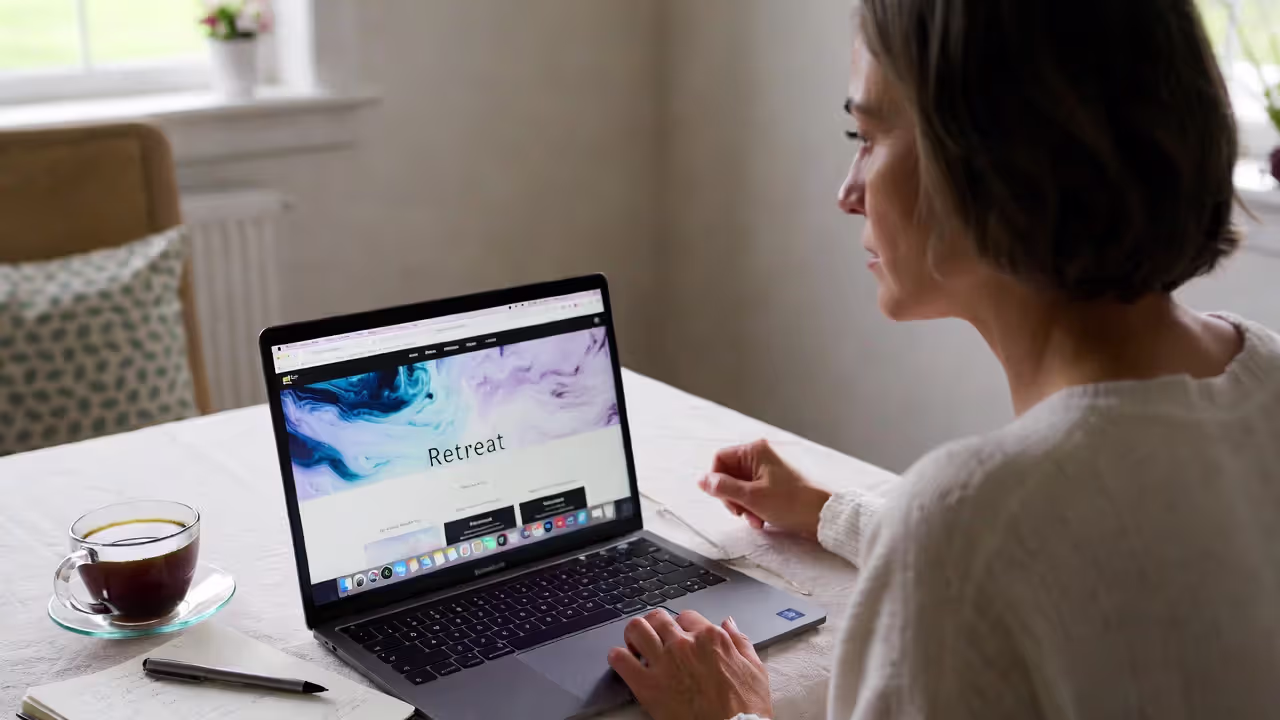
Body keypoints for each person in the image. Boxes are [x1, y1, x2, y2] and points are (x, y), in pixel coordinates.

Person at [605, 0, 1280, 718]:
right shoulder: (1264, 371)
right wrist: (830, 511)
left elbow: (990, 542)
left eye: (865, 136)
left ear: (992, 161)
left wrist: (732, 713)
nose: (847, 194)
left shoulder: (969, 527)